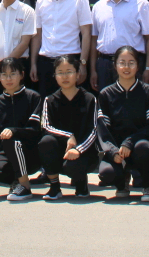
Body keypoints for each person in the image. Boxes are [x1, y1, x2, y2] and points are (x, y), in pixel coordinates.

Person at [95, 46, 149, 201]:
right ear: (115, 65)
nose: (126, 67)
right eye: (122, 63)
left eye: (131, 63)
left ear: (138, 66)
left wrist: (130, 142)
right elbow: (103, 130)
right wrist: (112, 151)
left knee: (144, 148)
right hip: (117, 148)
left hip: (139, 146)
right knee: (107, 173)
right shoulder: (106, 94)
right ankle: (122, 182)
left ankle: (147, 185)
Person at [38, 55, 98, 200]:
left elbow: (94, 130)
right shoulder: (49, 100)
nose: (65, 76)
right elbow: (46, 127)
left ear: (77, 74)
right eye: (60, 72)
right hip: (60, 151)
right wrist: (68, 136)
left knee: (74, 166)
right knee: (46, 142)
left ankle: (81, 184)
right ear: (55, 76)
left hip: (84, 152)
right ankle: (54, 187)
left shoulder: (90, 99)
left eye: (69, 72)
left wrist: (78, 149)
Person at [0, 57, 43, 201]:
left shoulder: (33, 97)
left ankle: (25, 186)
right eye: (4, 74)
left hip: (31, 152)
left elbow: (35, 129)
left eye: (13, 74)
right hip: (8, 153)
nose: (8, 79)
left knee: (10, 139)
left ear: (22, 75)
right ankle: (16, 180)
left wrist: (14, 131)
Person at [30, 0, 92, 96]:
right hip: (46, 62)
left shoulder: (80, 0)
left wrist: (83, 64)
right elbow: (37, 34)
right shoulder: (41, 1)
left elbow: (86, 34)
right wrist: (33, 63)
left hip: (71, 60)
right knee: (47, 102)